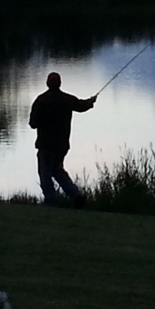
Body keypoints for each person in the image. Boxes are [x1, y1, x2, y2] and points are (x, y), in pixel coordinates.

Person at [29, 72, 97, 208]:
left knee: (45, 173)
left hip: (46, 144)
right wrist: (90, 102)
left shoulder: (41, 100)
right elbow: (81, 106)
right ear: (60, 83)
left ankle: (51, 200)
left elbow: (33, 123)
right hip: (62, 145)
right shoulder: (67, 99)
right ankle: (76, 195)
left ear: (47, 84)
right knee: (57, 170)